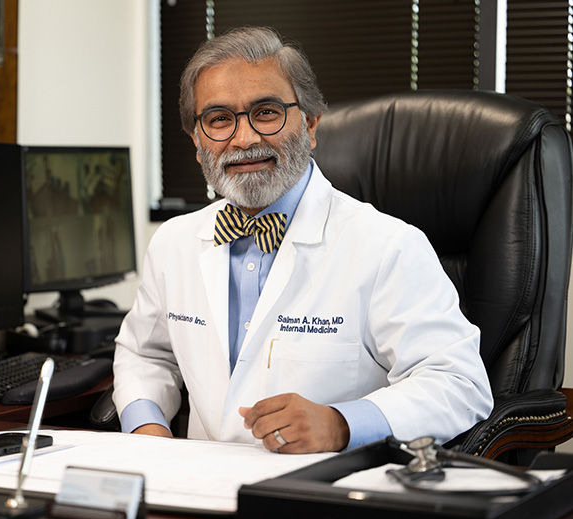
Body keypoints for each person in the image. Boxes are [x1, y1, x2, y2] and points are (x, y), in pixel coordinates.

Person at [113, 26, 493, 454]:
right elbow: (146, 355)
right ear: (198, 143)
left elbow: (459, 383)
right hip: (198, 491)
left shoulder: (387, 246)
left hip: (326, 494)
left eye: (267, 112)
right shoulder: (174, 242)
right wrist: (146, 430)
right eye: (219, 119)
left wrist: (341, 423)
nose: (244, 138)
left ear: (310, 125)